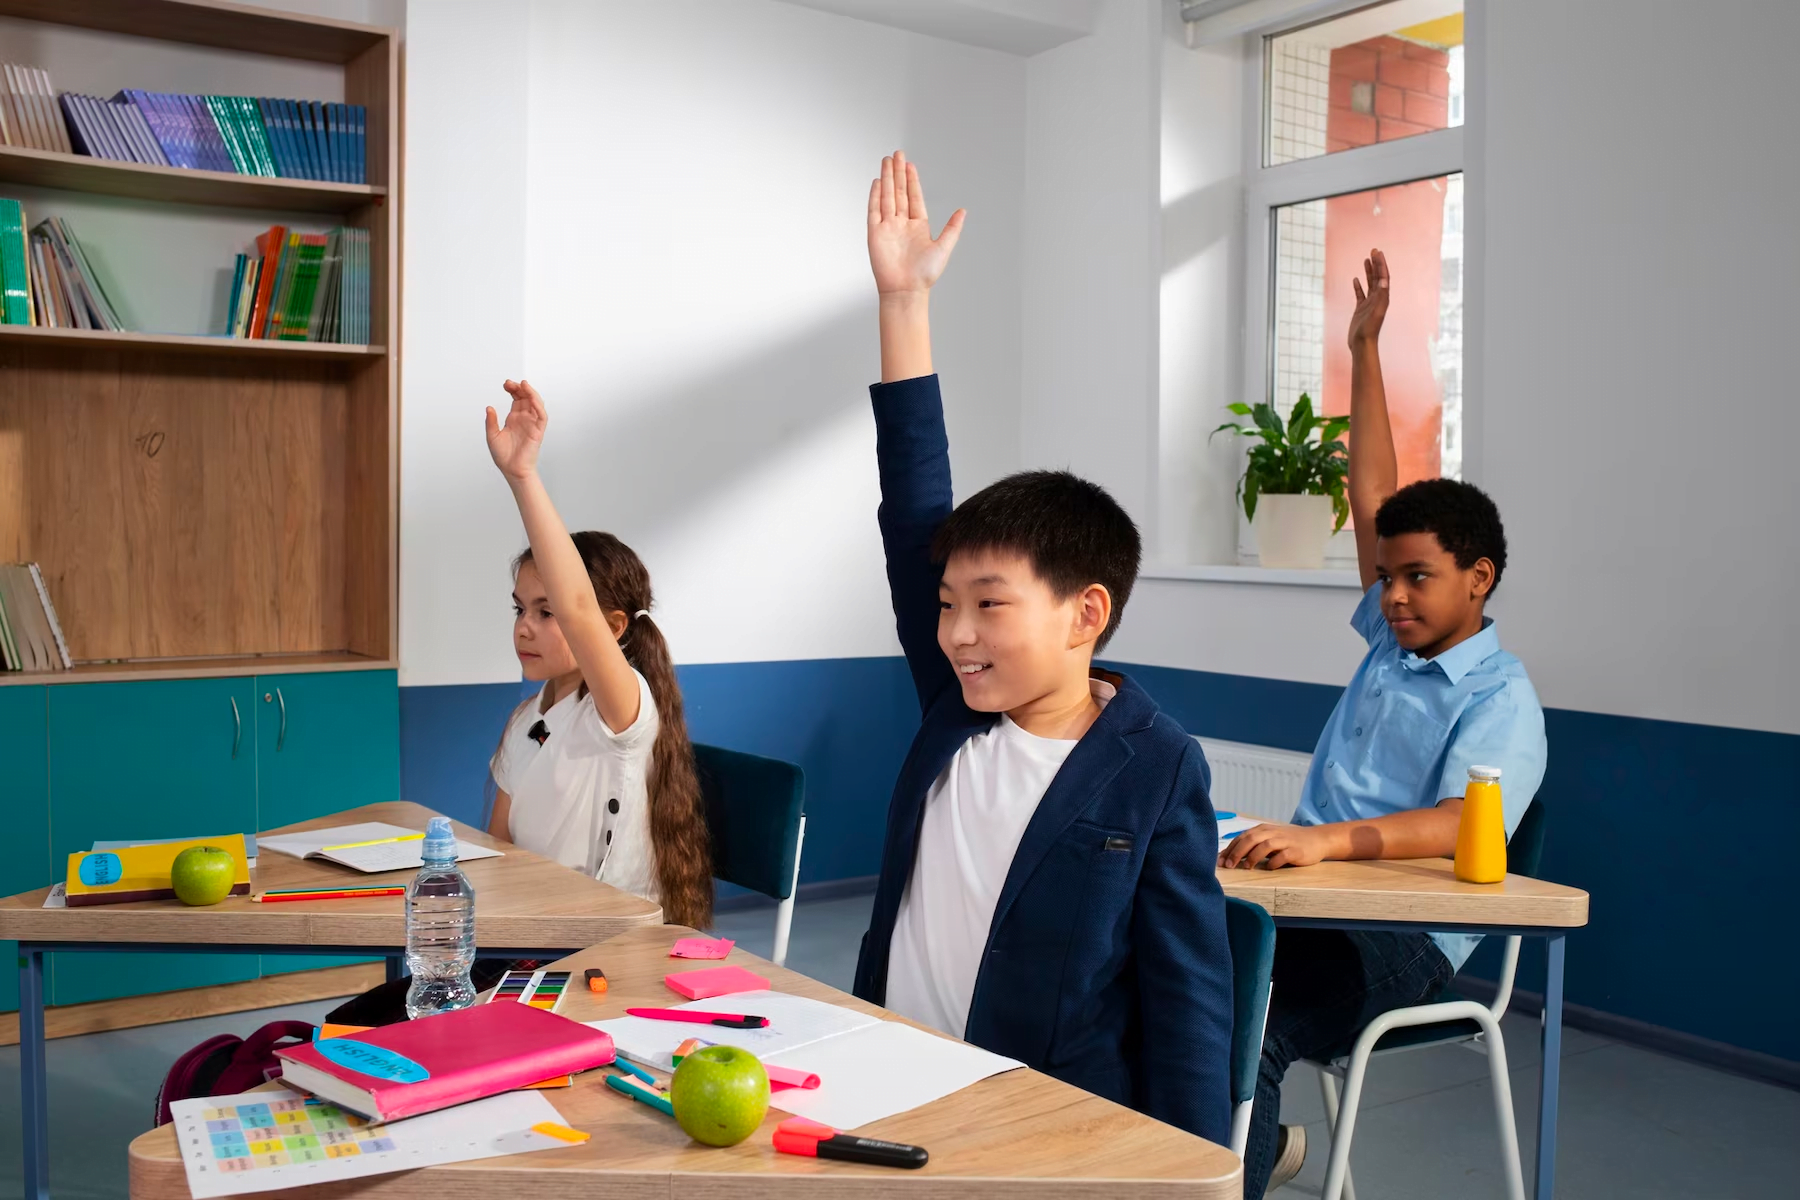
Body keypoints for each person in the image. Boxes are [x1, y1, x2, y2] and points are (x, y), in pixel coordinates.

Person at [851, 151, 1233, 1144]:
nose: (957, 634)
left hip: (1035, 1130)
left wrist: (1193, 1174)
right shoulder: (957, 705)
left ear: (1085, 614)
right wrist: (903, 304)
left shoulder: (1155, 769)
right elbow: (916, 501)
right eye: (945, 605)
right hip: (889, 1086)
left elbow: (1188, 1006)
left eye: (989, 605)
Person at [1222, 249, 1547, 1197]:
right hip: (1316, 908)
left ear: (1478, 578)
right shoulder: (1390, 643)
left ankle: (1242, 1162)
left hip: (1407, 941)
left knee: (1253, 1027)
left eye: (1419, 578)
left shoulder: (1500, 697)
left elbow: (1459, 826)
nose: (1393, 594)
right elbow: (1373, 495)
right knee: (1173, 979)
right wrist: (1365, 348)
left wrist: (1324, 844)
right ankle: (1257, 1153)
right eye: (1387, 576)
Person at [325, 380, 711, 1026]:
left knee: (390, 1034)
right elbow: (498, 851)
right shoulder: (526, 720)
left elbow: (580, 608)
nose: (525, 627)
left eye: (547, 611)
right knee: (350, 1024)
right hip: (525, 953)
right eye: (520, 610)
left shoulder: (624, 715)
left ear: (612, 628)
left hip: (598, 961)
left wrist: (522, 475)